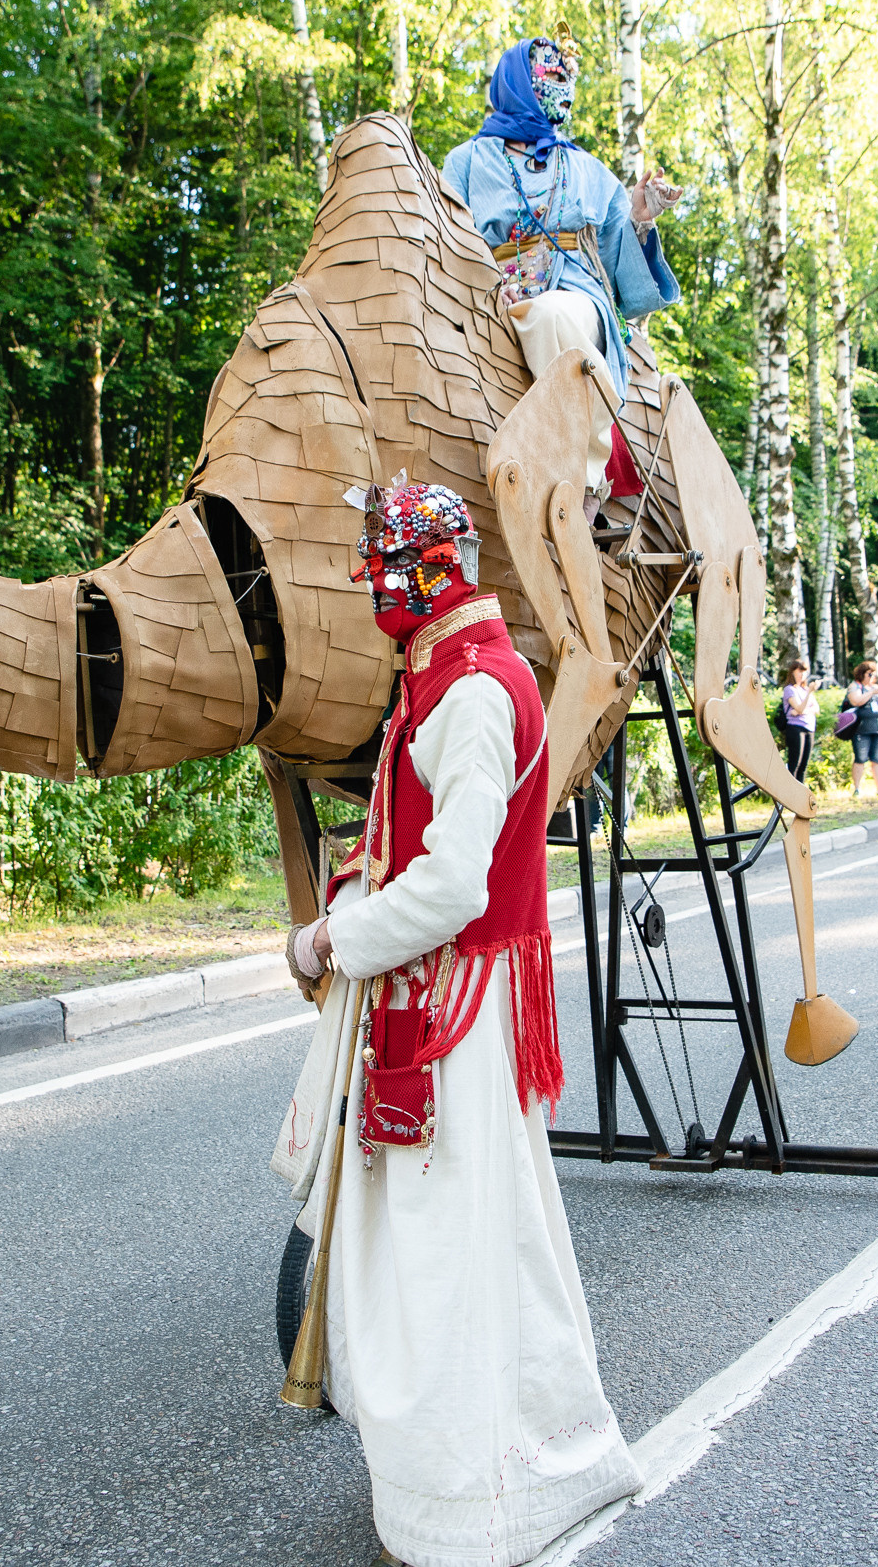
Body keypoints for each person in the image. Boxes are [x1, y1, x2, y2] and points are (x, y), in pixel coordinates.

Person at [277, 479, 641, 1567]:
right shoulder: (446, 672)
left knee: (438, 1261)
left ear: (412, 573)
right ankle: (477, 1480)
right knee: (465, 1247)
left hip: (447, 1010)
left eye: (377, 573)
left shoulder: (471, 688)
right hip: (446, 999)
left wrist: (331, 940)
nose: (369, 595)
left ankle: (466, 1510)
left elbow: (453, 887)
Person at [441, 33, 682, 495]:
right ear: (517, 82)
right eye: (550, 76)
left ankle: (587, 480)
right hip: (491, 297)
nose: (562, 87)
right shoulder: (467, 162)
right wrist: (488, 283)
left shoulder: (588, 170)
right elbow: (447, 237)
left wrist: (640, 218)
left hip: (576, 296)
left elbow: (620, 268)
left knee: (549, 312)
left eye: (567, 77)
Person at [844, 662, 878, 797]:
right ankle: (857, 789)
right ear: (862, 674)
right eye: (869, 674)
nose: (872, 677)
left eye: (874, 674)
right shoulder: (855, 687)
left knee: (877, 758)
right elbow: (856, 701)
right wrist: (872, 692)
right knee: (860, 758)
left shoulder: (875, 688)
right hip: (861, 729)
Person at [777, 658, 819, 780]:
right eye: (799, 671)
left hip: (809, 728)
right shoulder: (790, 689)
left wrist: (802, 710)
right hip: (795, 728)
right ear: (793, 673)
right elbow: (799, 707)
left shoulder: (805, 690)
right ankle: (790, 794)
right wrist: (809, 694)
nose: (802, 675)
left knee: (804, 765)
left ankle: (800, 795)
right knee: (795, 763)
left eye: (804, 672)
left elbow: (816, 708)